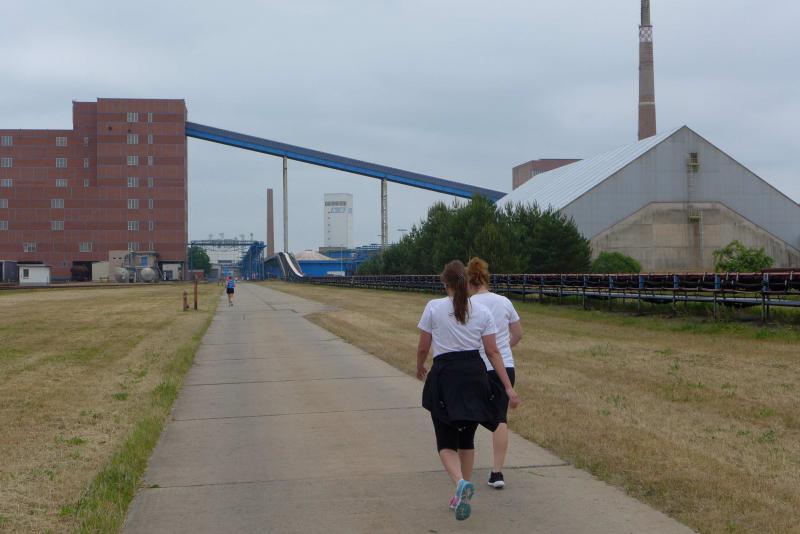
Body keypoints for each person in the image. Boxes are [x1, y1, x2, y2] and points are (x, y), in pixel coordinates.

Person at [417, 260, 520, 521]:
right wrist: (508, 387)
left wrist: (420, 366)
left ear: (445, 283)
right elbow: (493, 351)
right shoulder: (482, 311)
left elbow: (424, 346)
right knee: (466, 438)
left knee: (445, 440)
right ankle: (461, 493)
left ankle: (460, 483)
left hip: (446, 374)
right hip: (475, 375)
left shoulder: (434, 307)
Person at [467, 257, 523, 490]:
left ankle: (464, 469)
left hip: (476, 366)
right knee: (500, 418)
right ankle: (497, 472)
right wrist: (504, 348)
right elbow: (518, 334)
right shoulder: (504, 302)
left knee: (469, 415)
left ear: (469, 281)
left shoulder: (468, 305)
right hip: (504, 366)